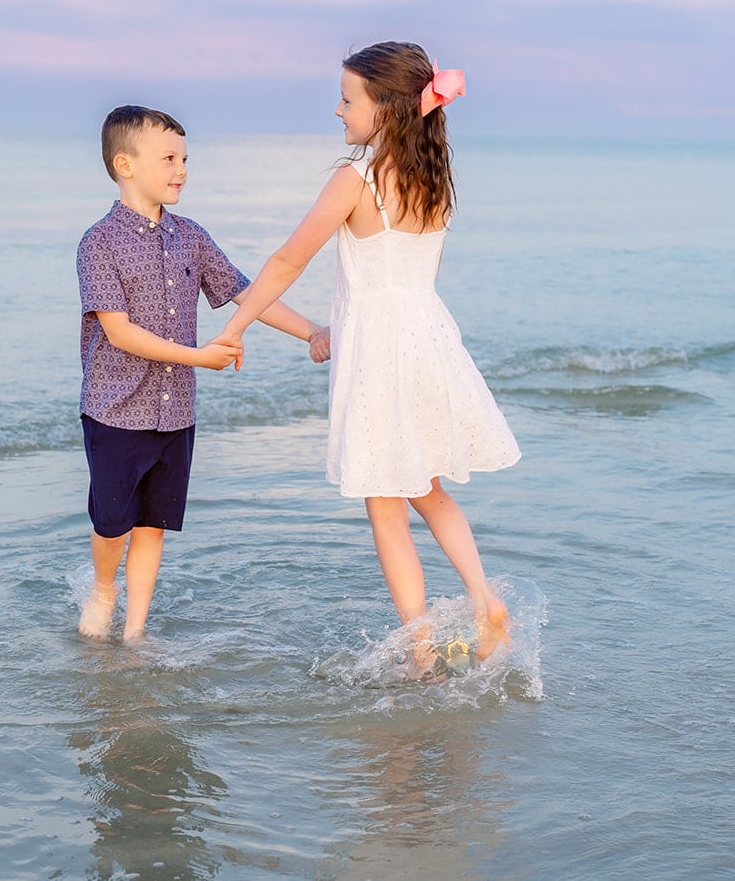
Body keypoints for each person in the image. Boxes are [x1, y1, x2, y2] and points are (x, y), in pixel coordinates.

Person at [216, 42, 521, 666]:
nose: (338, 109)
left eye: (349, 98)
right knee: (429, 488)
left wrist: (236, 327)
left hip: (381, 353)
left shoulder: (356, 179)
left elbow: (286, 262)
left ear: (385, 108)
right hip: (428, 340)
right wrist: (323, 329)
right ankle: (482, 596)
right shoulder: (432, 178)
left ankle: (420, 647)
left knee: (385, 504)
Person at [77, 105, 322, 643]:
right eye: (168, 158)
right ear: (125, 164)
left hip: (175, 411)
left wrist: (313, 332)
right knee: (112, 522)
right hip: (115, 408)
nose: (181, 169)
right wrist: (201, 357)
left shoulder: (191, 236)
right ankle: (103, 588)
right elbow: (118, 332)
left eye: (184, 158)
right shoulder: (98, 243)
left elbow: (246, 292)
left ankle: (135, 632)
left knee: (153, 525)